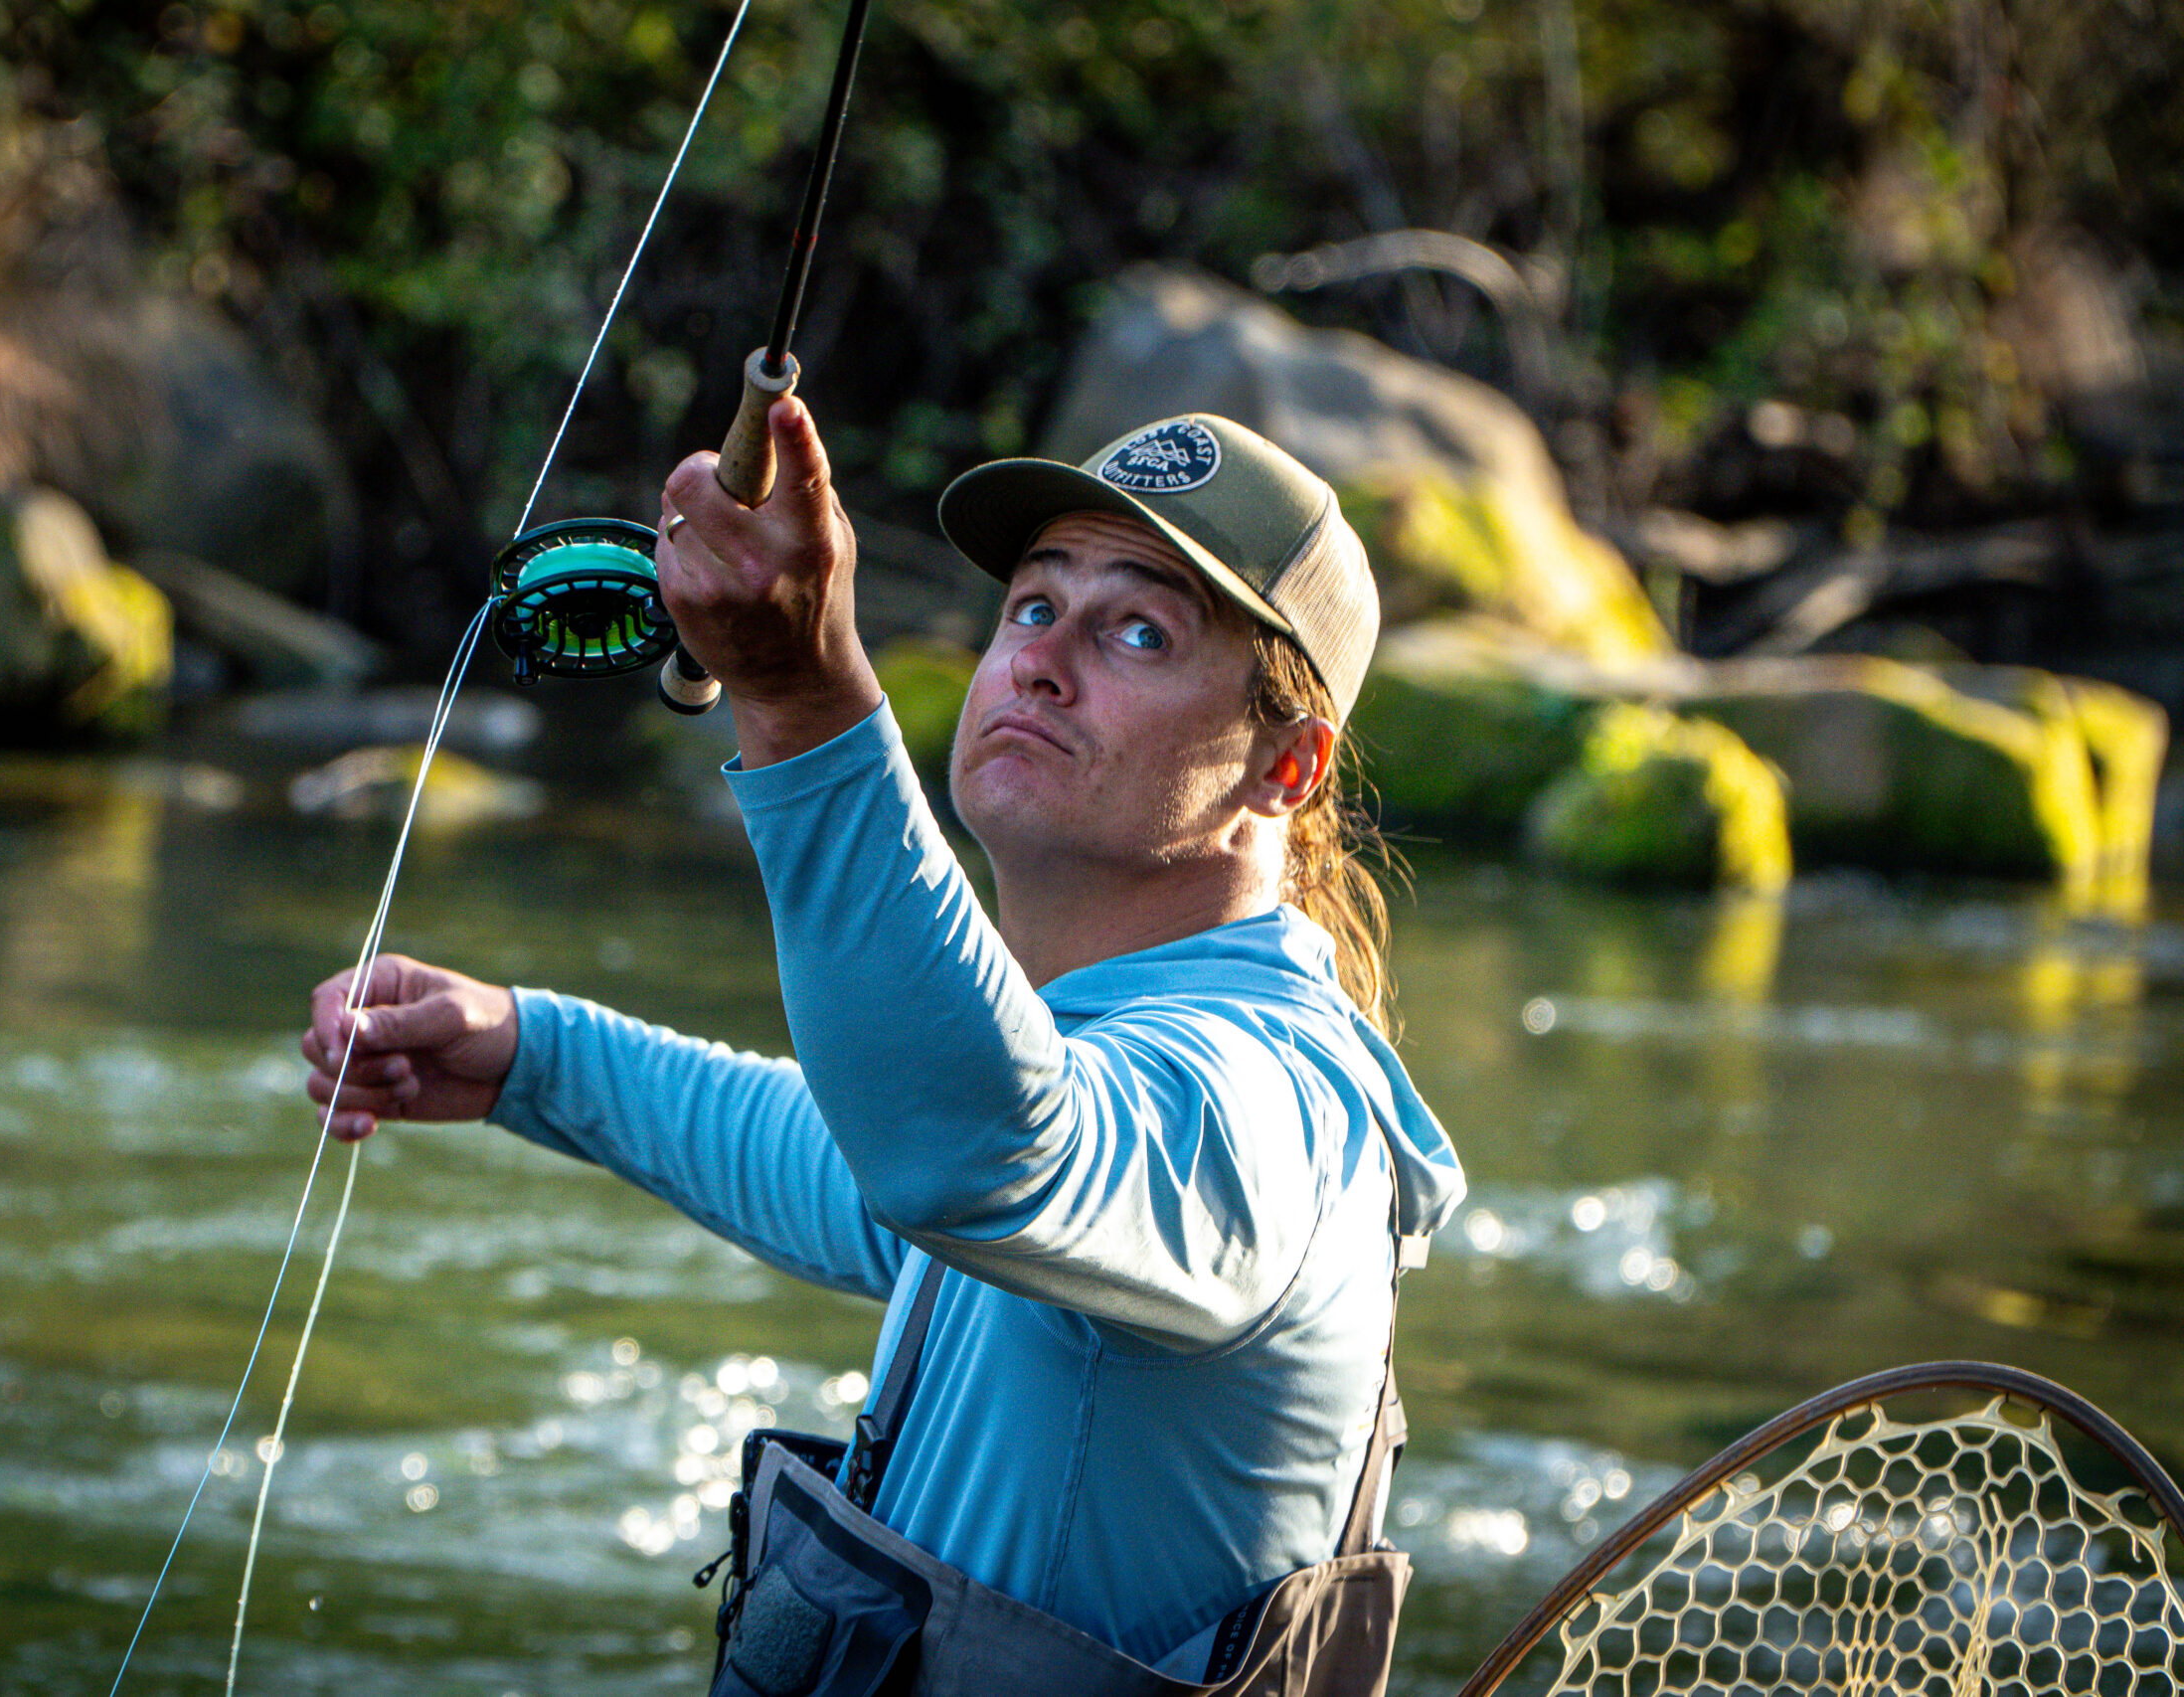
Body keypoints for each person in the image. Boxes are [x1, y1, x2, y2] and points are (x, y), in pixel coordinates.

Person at [302, 405, 1465, 1696]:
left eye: (1139, 630)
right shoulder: (1099, 1052)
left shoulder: (1279, 1099)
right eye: (1033, 606)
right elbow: (864, 1171)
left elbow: (973, 1152)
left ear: (1287, 767)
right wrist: (537, 1056)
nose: (1044, 661)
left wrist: (803, 695)